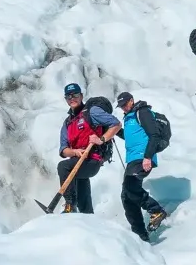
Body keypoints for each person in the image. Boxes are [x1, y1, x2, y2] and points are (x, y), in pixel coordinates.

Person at [57, 83, 122, 213]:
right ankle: (88, 218)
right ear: (66, 100)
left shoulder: (91, 112)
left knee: (63, 167)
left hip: (92, 160)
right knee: (83, 198)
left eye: (75, 95)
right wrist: (74, 151)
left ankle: (70, 204)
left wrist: (101, 139)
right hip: (78, 162)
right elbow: (63, 150)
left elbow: (116, 124)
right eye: (69, 97)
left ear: (81, 96)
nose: (72, 98)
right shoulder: (67, 123)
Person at [114, 91, 168, 242]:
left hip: (142, 157)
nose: (123, 108)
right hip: (132, 160)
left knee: (131, 188)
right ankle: (140, 235)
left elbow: (154, 135)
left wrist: (148, 157)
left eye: (125, 104)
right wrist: (114, 131)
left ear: (131, 100)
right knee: (126, 196)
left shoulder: (142, 112)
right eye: (121, 106)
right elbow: (129, 137)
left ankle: (156, 210)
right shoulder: (129, 117)